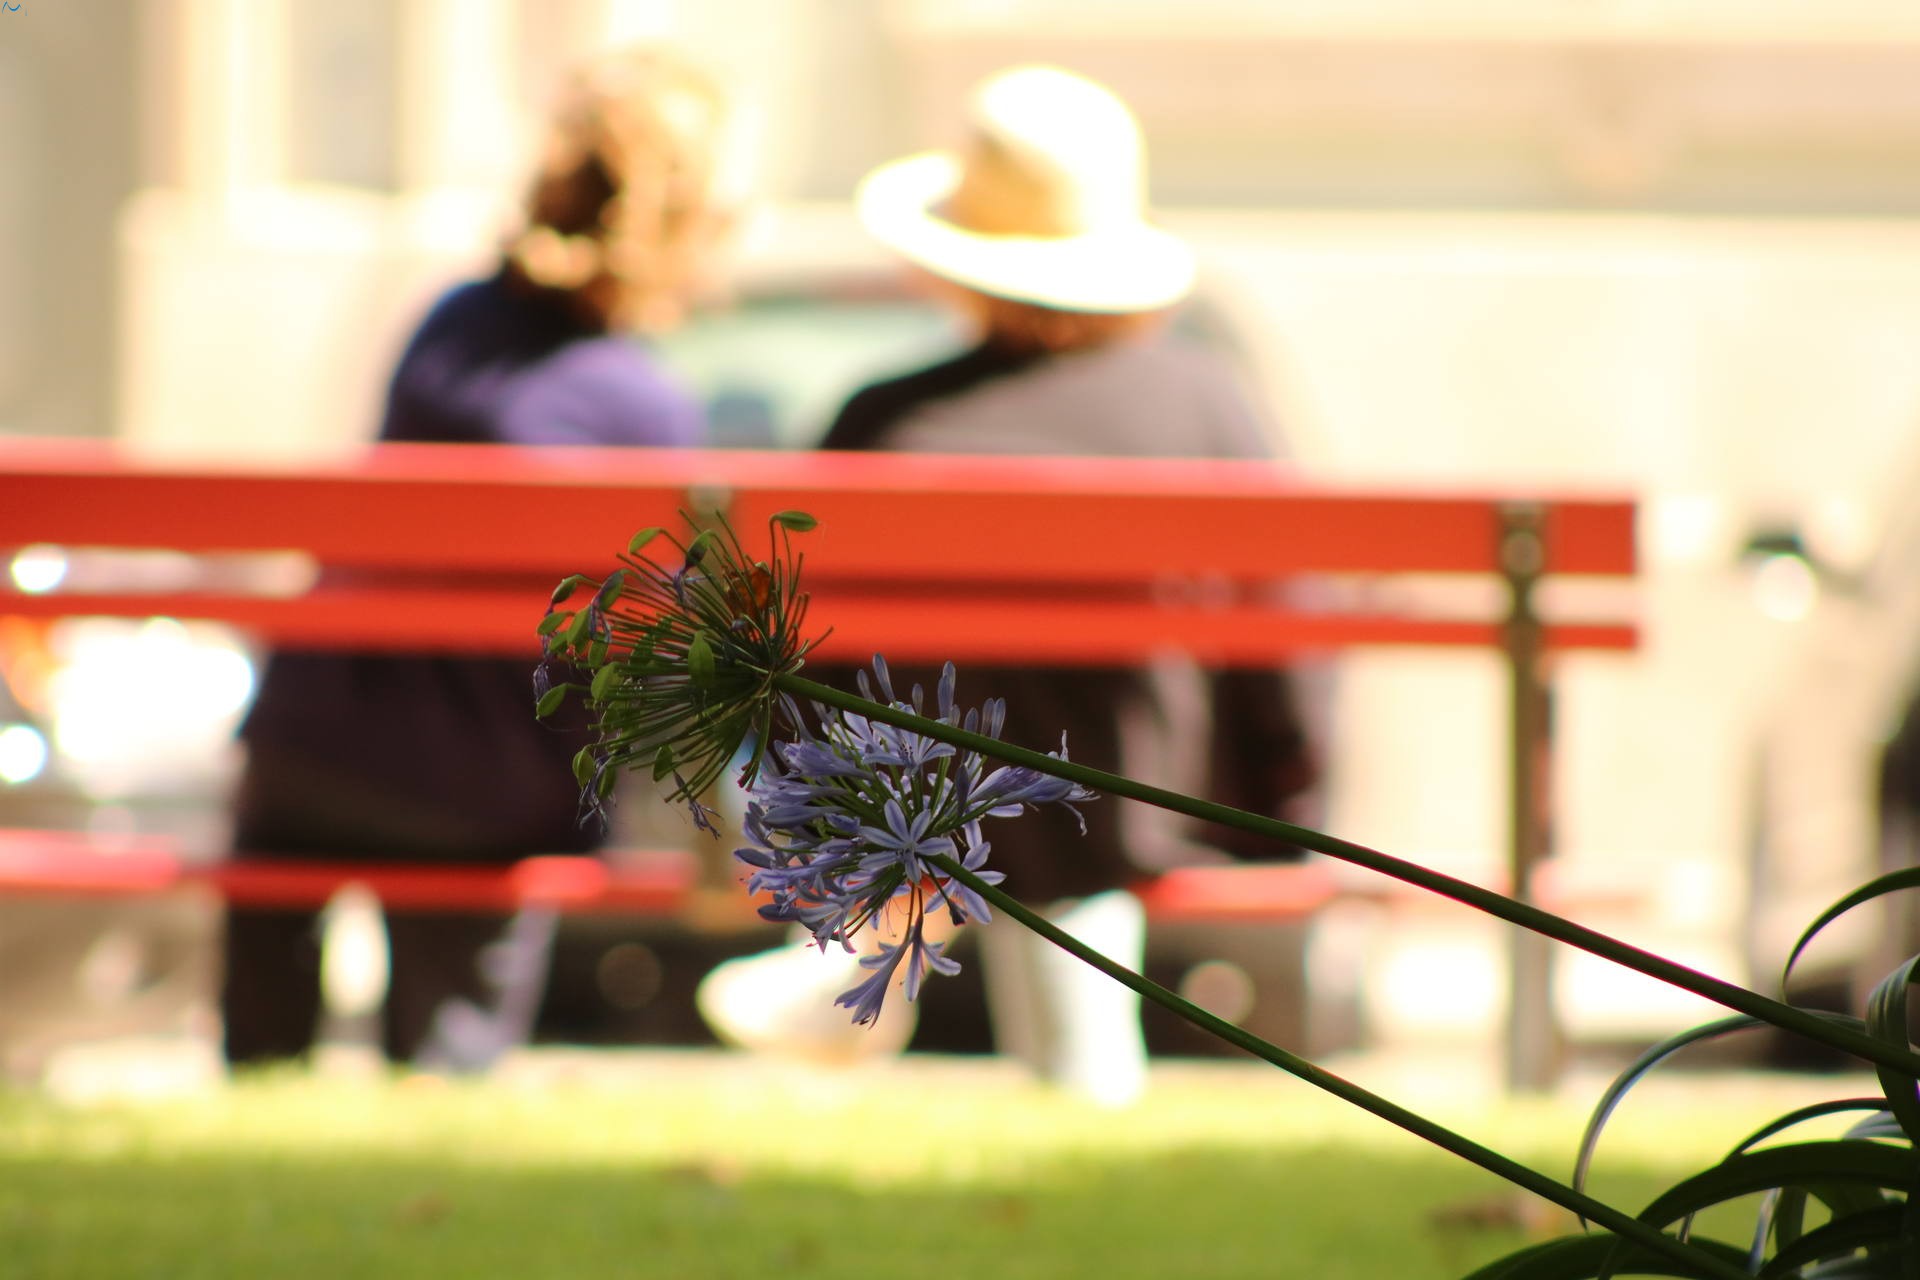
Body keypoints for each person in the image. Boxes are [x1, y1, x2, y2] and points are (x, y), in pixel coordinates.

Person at [698, 65, 1317, 1105]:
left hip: (919, 803)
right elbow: (1288, 635)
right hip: (1127, 804)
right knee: (1060, 796)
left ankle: (860, 943)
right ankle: (1067, 1077)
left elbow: (789, 644)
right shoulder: (1207, 410)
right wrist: (1289, 802)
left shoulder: (887, 420)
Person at [221, 47, 743, 1070]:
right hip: (484, 790)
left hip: (312, 737)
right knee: (449, 1051)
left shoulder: (447, 331)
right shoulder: (645, 409)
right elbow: (677, 657)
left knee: (268, 1011)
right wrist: (723, 833)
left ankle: (259, 1077)